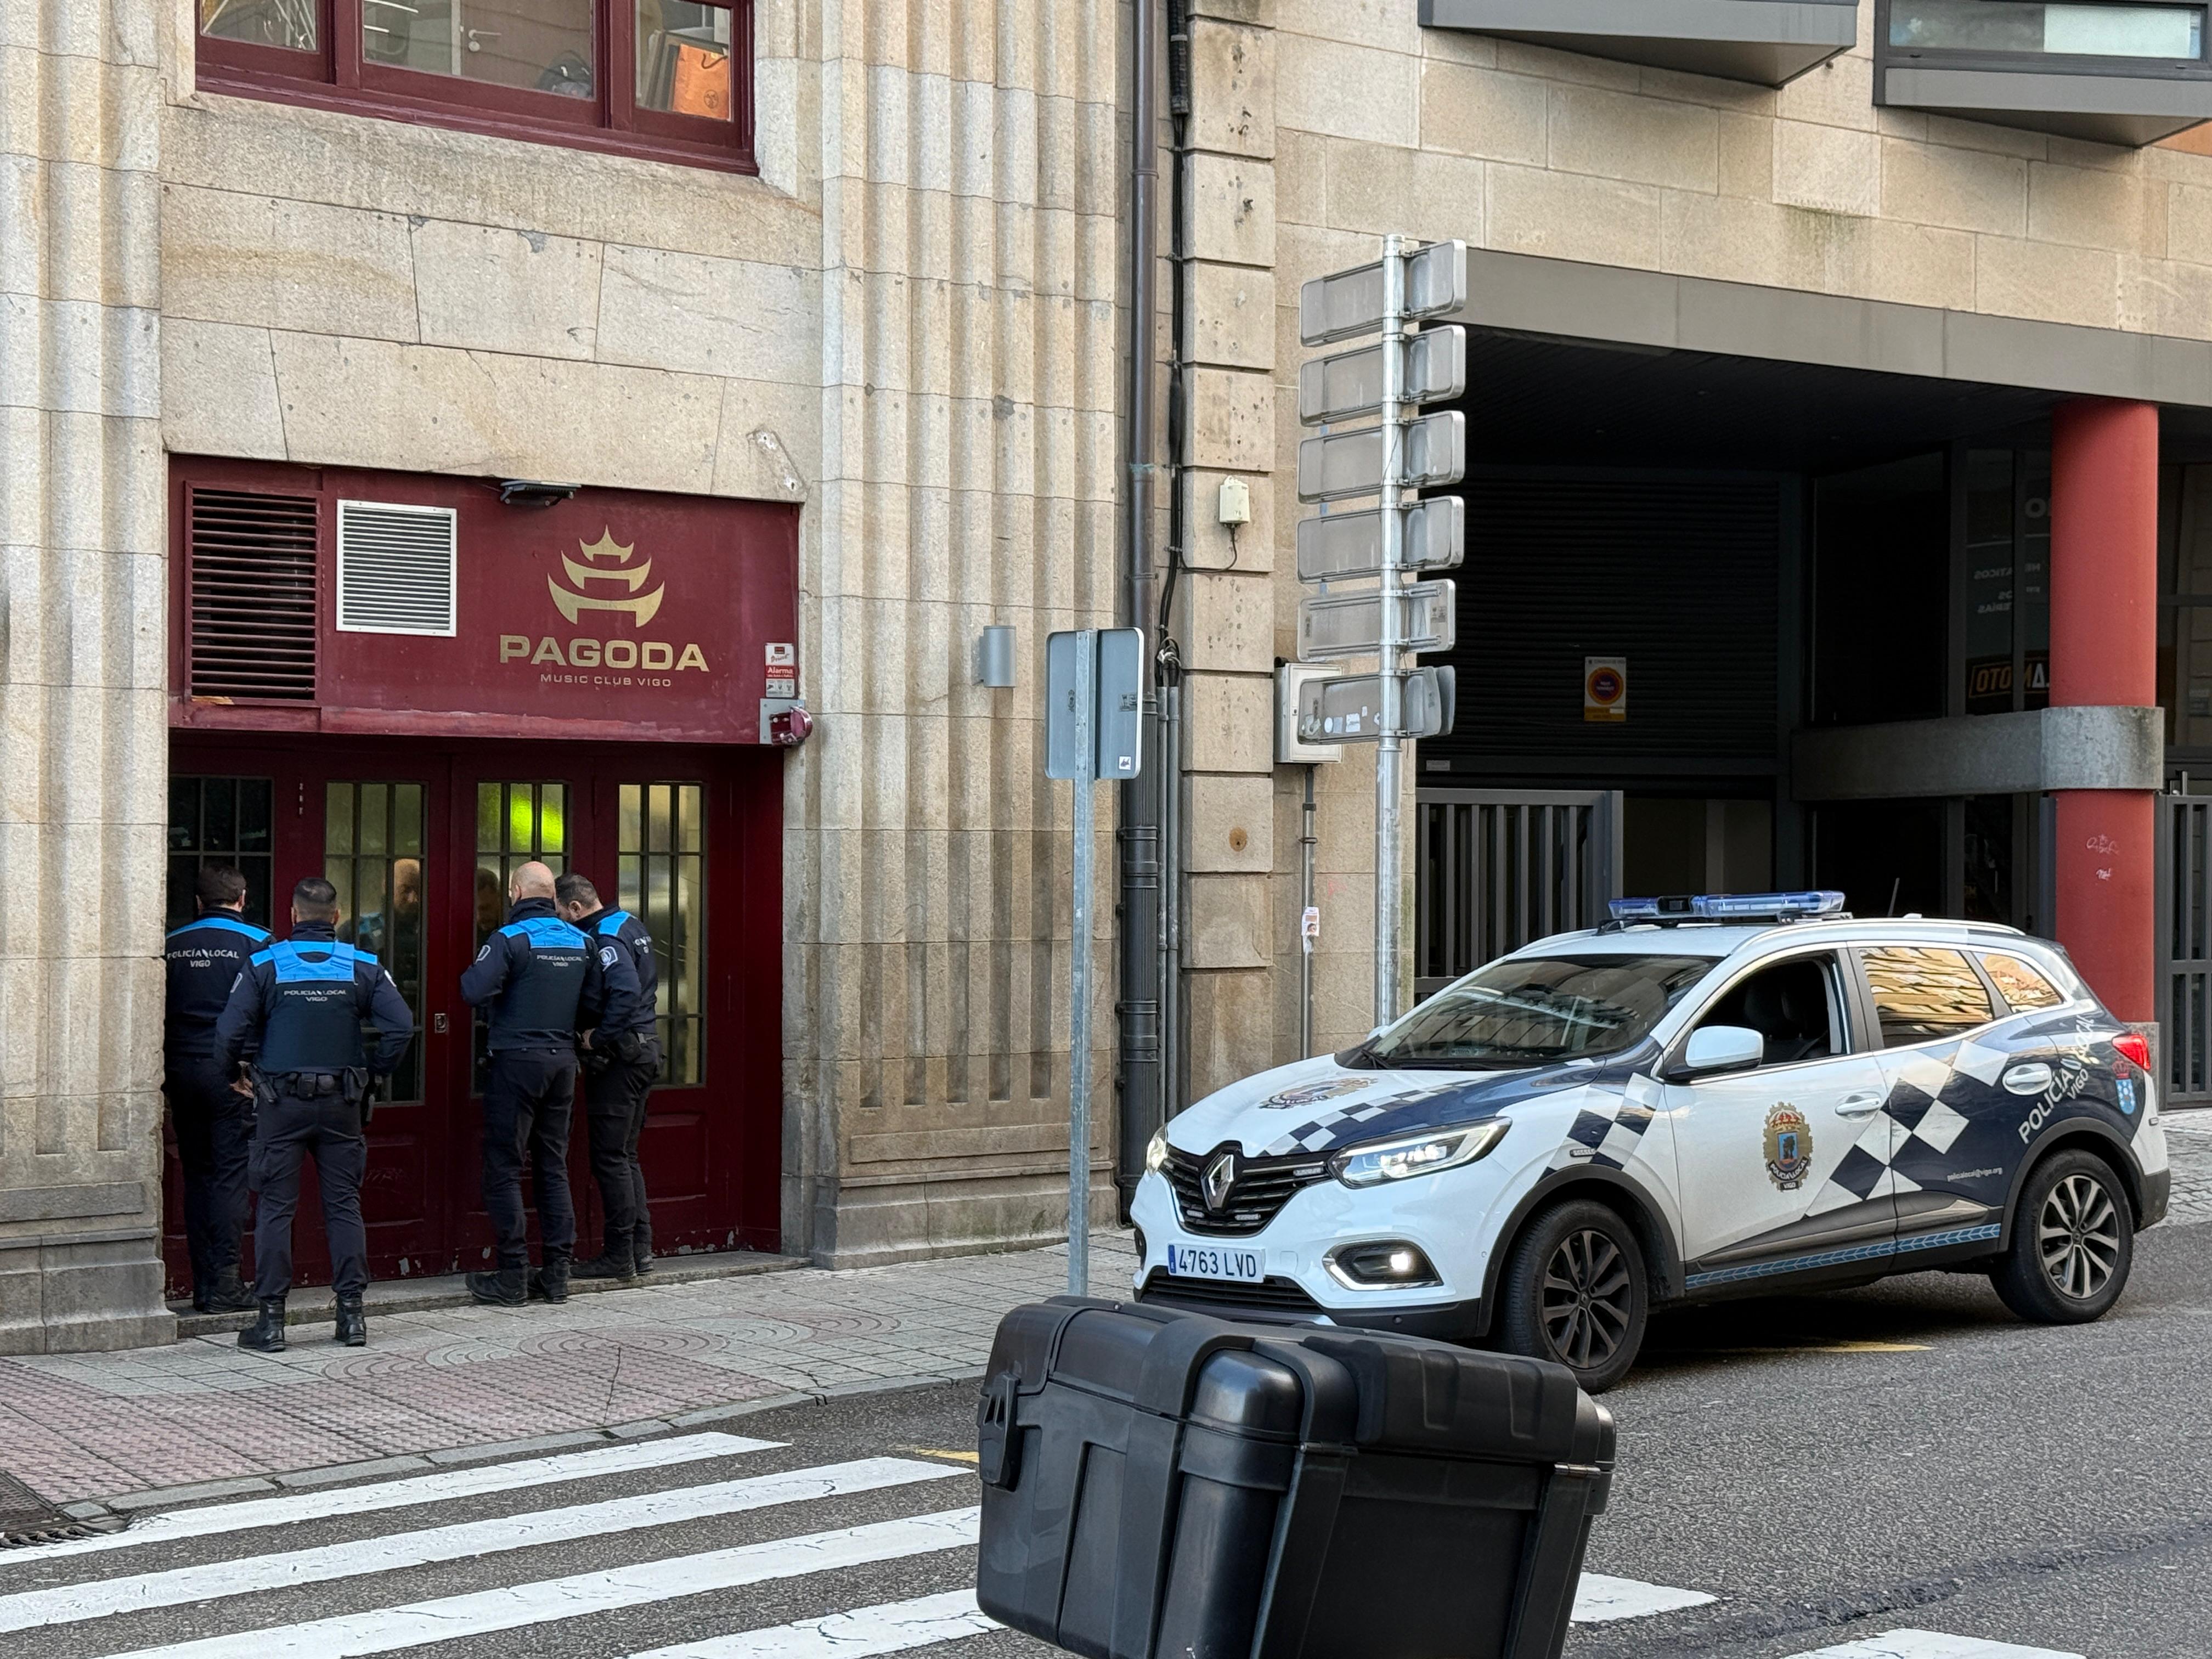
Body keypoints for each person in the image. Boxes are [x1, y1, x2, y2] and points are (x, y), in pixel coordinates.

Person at [213, 877, 413, 1353]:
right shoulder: (363, 965)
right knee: (344, 1206)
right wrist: (372, 1072)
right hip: (342, 1103)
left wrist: (231, 1075)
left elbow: (228, 1032)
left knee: (276, 1210)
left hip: (280, 1104)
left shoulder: (264, 964)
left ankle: (272, 1323)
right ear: (337, 917)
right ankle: (352, 1320)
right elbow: (401, 1028)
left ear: (293, 914)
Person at [461, 861, 612, 1307]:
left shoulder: (509, 939)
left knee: (504, 1167)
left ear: (514, 892)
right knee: (553, 1166)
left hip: (516, 1062)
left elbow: (472, 991)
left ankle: (512, 1276)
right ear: (551, 895)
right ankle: (558, 1274)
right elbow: (594, 1003)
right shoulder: (584, 941)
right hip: (563, 1063)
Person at [163, 866, 271, 1314]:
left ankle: (203, 1283)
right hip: (233, 1073)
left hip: (181, 1070)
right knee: (229, 1175)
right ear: (242, 899)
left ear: (199, 902)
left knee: (198, 1173)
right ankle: (226, 1282)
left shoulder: (171, 944)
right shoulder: (261, 945)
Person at [555, 873, 659, 1282]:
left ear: (576, 907)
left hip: (621, 1057)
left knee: (611, 1158)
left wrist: (598, 1037)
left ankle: (619, 1255)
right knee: (626, 1155)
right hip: (644, 1049)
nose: (563, 921)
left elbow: (626, 992)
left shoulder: (606, 937)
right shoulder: (629, 923)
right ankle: (640, 1248)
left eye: (563, 913)